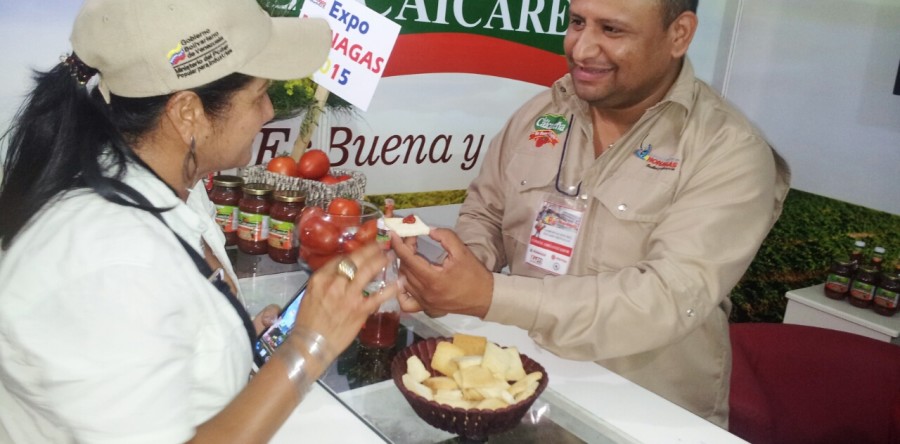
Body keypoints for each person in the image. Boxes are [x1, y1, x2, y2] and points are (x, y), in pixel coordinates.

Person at [0, 0, 398, 442]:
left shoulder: (176, 191)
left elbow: (148, 343)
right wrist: (309, 345)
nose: (268, 112)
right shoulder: (111, 260)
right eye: (258, 93)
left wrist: (229, 336)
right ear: (187, 113)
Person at [392, 0, 790, 429]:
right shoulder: (542, 113)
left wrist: (488, 294)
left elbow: (665, 298)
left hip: (640, 415)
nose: (581, 49)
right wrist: (454, 270)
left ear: (679, 34)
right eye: (577, 22)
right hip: (519, 389)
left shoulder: (729, 149)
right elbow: (486, 211)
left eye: (612, 30)